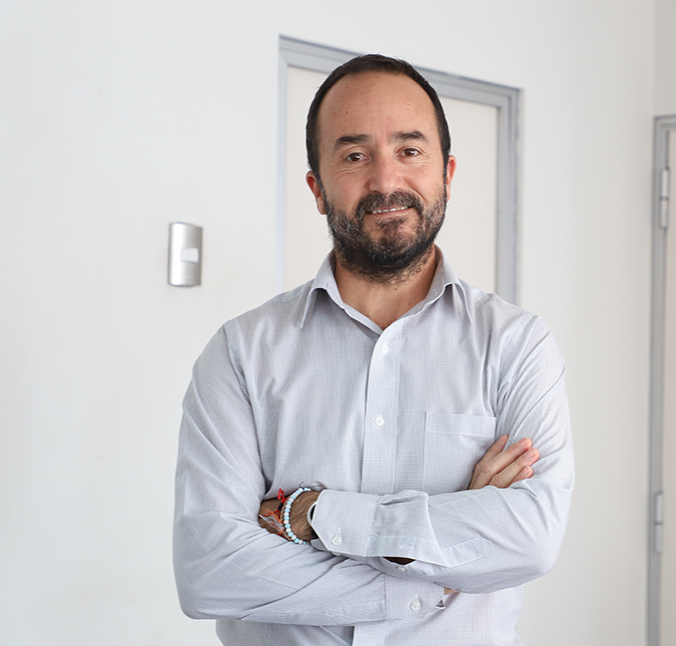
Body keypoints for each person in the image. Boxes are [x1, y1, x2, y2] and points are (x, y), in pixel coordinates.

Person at [173, 54, 574, 645]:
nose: (386, 181)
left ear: (447, 173)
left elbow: (531, 539)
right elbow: (210, 573)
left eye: (409, 150)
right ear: (317, 188)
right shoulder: (240, 354)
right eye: (355, 156)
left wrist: (314, 514)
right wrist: (434, 569)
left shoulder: (516, 345)